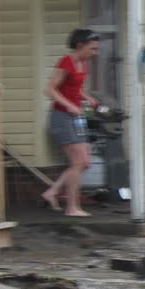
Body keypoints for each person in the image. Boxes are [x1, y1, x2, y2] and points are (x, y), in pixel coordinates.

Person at [41, 28, 100, 217]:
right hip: (62, 117)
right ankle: (72, 207)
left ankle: (52, 192)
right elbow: (50, 89)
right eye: (92, 49)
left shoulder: (83, 63)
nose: (94, 53)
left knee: (85, 162)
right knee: (78, 162)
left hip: (76, 117)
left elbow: (74, 88)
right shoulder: (66, 62)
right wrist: (69, 106)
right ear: (80, 45)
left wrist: (86, 97)